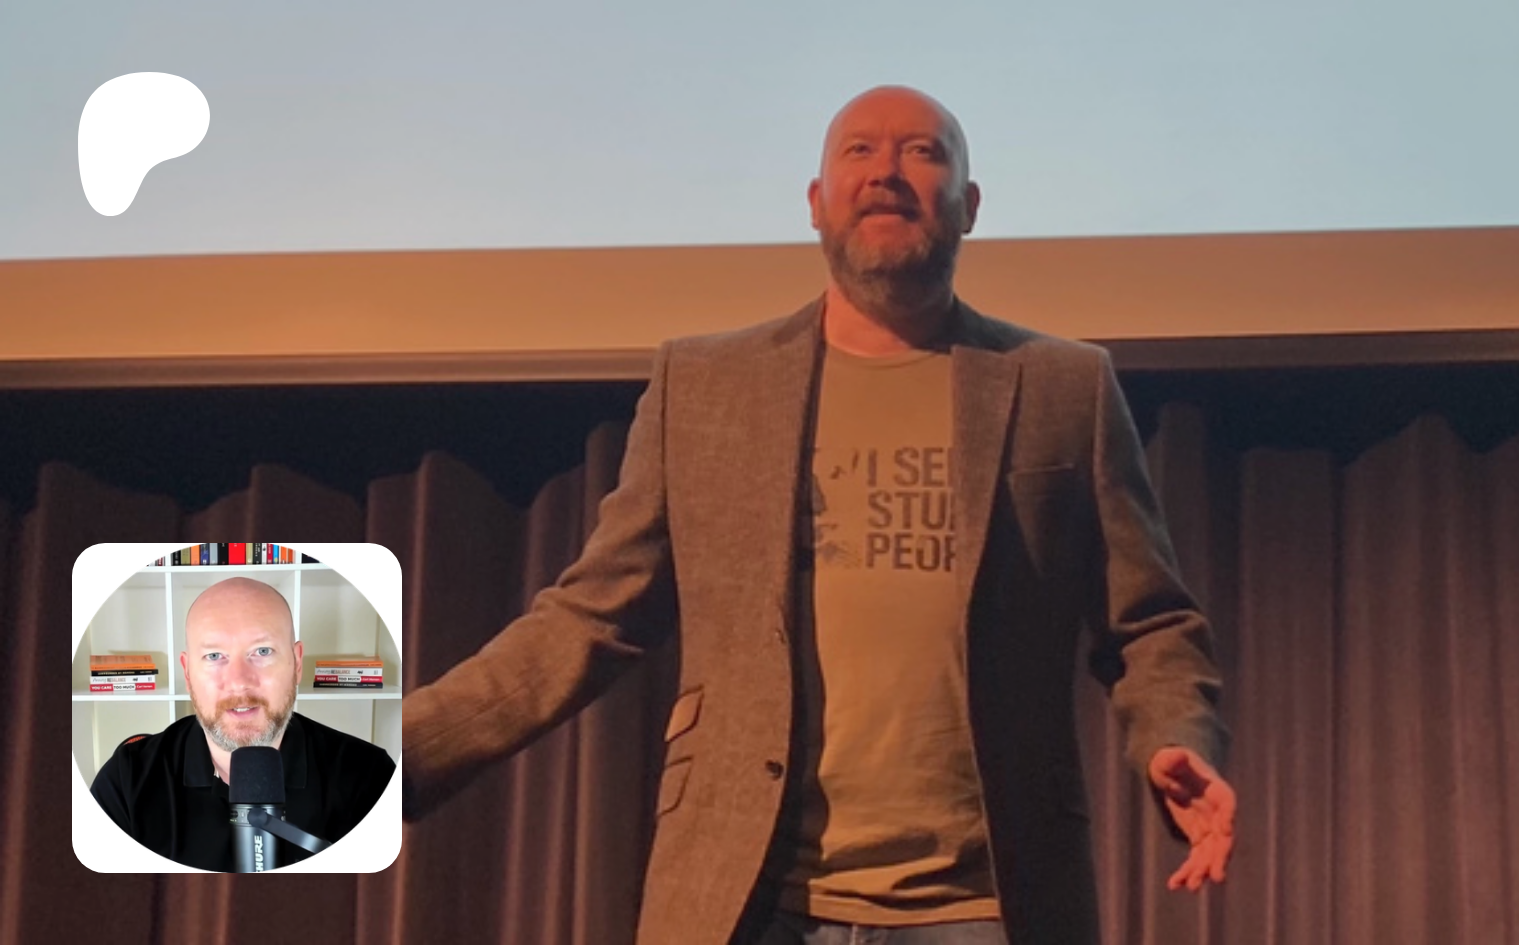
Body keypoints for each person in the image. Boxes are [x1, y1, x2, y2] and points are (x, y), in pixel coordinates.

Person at [401, 86, 1235, 944]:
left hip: (984, 906)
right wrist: (394, 754)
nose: (887, 172)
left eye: (923, 152)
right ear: (815, 201)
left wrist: (1178, 735)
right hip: (749, 898)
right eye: (859, 151)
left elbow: (1150, 623)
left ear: (970, 205)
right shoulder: (708, 386)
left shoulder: (1064, 385)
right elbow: (586, 618)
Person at [90, 577, 395, 871]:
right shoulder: (126, 783)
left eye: (262, 651)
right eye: (214, 655)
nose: (238, 682)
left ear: (297, 662)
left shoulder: (369, 777)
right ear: (188, 672)